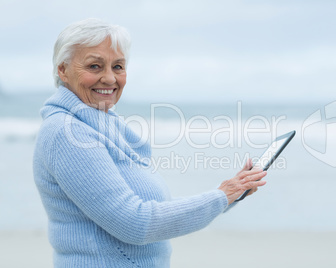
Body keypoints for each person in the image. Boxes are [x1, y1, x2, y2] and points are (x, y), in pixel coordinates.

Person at [33, 18, 267, 268]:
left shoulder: (102, 124)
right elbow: (136, 223)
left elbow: (157, 211)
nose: (110, 78)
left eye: (118, 66)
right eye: (94, 66)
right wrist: (222, 195)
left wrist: (228, 194)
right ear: (63, 70)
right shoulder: (67, 133)